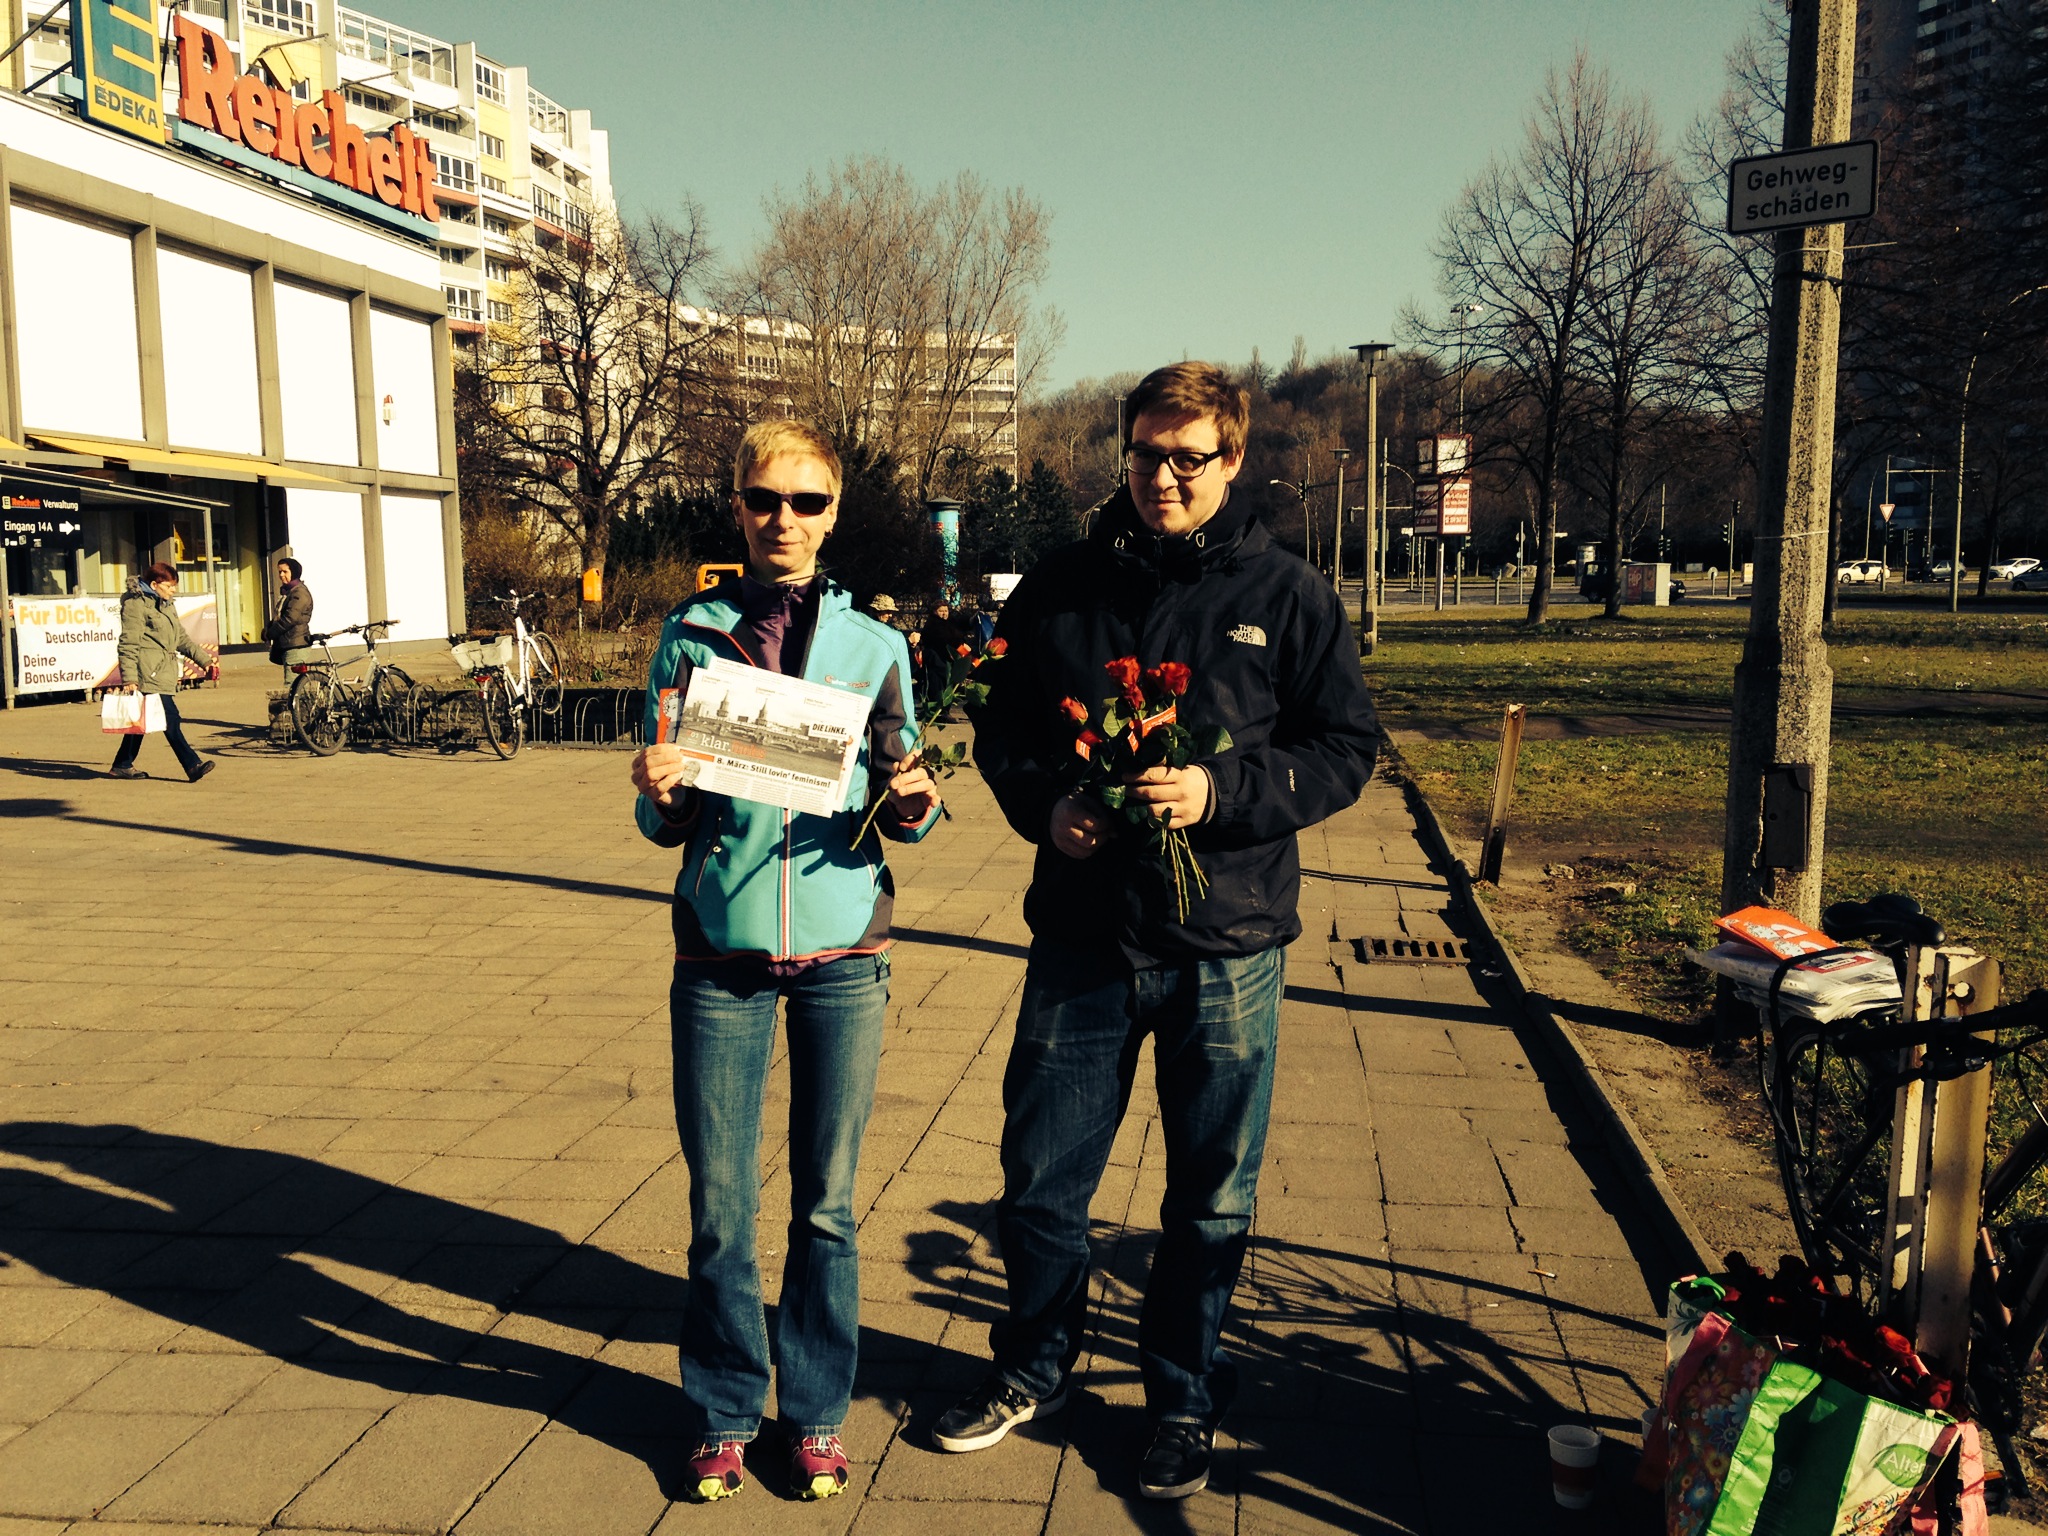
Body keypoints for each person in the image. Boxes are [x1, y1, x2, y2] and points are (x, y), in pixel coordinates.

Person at [941, 362, 1379, 1497]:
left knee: (1209, 1199)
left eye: (1188, 458)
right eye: (1145, 455)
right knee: (1039, 1185)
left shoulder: (1287, 595)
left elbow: (1343, 750)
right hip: (1082, 943)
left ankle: (1182, 1399)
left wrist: (1220, 798)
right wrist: (1049, 807)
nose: (1163, 478)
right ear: (1122, 455)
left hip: (1225, 949)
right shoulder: (1061, 586)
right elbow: (1005, 733)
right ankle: (1031, 1367)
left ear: (1231, 461)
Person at [629, 419, 942, 1505]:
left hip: (843, 953)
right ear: (736, 504)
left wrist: (914, 805)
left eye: (806, 503)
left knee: (827, 1203)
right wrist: (658, 792)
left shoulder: (875, 647)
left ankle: (810, 1414)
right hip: (718, 952)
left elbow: (904, 798)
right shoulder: (690, 637)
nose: (784, 521)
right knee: (720, 1204)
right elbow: (663, 821)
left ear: (833, 514)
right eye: (765, 499)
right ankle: (721, 1409)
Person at [110, 562, 218, 783]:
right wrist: (129, 678)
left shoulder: (167, 604)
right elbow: (128, 643)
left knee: (141, 721)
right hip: (147, 672)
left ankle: (122, 764)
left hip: (162, 671)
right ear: (154, 584)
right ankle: (192, 765)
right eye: (169, 586)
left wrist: (205, 661)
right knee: (170, 718)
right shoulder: (136, 605)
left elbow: (180, 638)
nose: (173, 590)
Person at [265, 557, 313, 667]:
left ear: (294, 572)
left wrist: (270, 633)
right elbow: (280, 616)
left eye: (285, 571)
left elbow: (289, 619)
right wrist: (269, 628)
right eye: (280, 571)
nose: (281, 575)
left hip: (296, 644)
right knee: (294, 682)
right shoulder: (288, 592)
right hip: (289, 643)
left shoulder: (299, 593)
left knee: (292, 682)